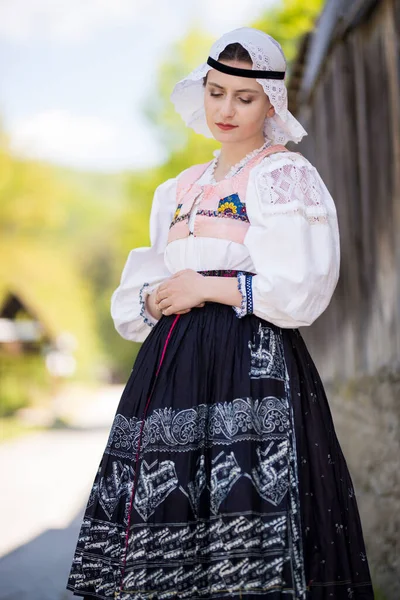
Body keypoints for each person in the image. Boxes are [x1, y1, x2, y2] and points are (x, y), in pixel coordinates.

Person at [66, 27, 374, 600]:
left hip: (248, 365)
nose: (226, 109)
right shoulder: (177, 190)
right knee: (173, 516)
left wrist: (207, 288)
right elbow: (144, 291)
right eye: (215, 92)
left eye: (244, 96)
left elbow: (301, 287)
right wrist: (156, 298)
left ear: (271, 103)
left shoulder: (283, 175)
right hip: (173, 371)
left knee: (249, 507)